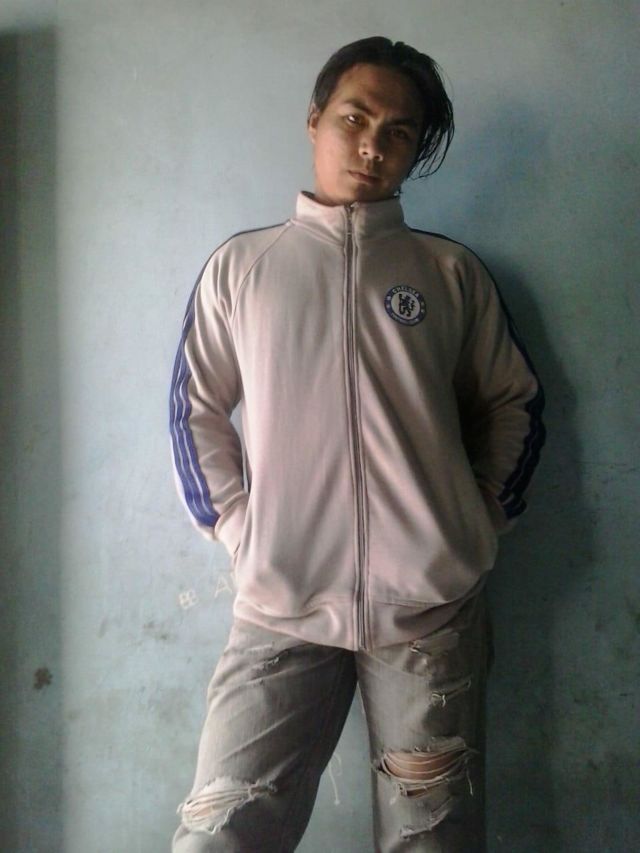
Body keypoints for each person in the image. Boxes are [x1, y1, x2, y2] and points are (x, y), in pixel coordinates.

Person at [169, 36, 545, 852]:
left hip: (429, 613)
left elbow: (512, 400)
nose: (373, 144)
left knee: (431, 840)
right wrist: (238, 528)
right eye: (355, 117)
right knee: (221, 834)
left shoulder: (449, 273)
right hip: (282, 607)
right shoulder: (244, 268)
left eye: (399, 132)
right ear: (315, 119)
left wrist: (476, 522)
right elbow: (195, 408)